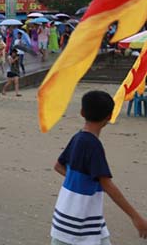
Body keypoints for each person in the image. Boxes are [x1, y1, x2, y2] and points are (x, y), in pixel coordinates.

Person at [51, 90, 147, 244]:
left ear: (82, 112)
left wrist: (81, 181)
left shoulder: (78, 138)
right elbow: (107, 184)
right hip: (77, 224)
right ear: (109, 116)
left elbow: (58, 166)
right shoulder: (93, 145)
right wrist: (136, 217)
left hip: (73, 215)